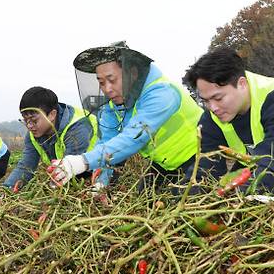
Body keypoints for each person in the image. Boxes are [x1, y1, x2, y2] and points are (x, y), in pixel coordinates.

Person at [48, 41, 203, 190]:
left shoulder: (162, 93)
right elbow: (107, 141)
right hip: (165, 163)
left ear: (132, 73)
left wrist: (82, 162)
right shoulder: (113, 104)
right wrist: (101, 183)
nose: (107, 89)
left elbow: (134, 137)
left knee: (183, 200)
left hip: (200, 157)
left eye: (112, 80)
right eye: (101, 82)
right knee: (146, 200)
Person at [183, 47, 274, 193]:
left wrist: (231, 198)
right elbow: (206, 166)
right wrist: (186, 194)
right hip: (259, 176)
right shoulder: (212, 117)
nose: (212, 108)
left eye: (218, 98)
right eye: (206, 101)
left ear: (241, 84)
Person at [3, 86, 97, 191]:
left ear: (52, 114)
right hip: (69, 173)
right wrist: (5, 190)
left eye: (34, 120)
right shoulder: (33, 135)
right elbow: (26, 166)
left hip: (95, 173)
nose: (29, 126)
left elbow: (67, 171)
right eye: (25, 120)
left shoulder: (77, 128)